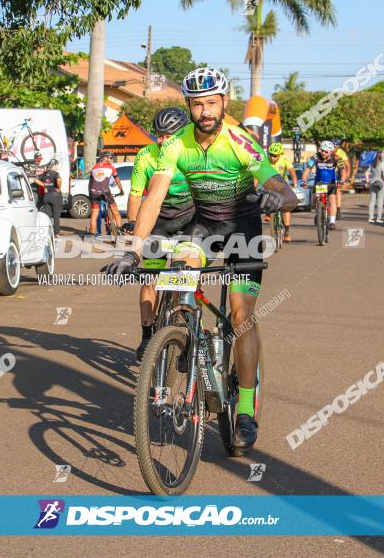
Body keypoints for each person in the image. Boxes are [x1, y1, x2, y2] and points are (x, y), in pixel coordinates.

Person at [104, 67, 298, 450]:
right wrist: (133, 249)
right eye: (197, 104)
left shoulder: (239, 140)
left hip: (244, 230)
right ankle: (182, 337)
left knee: (241, 315)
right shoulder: (176, 144)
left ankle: (244, 409)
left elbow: (281, 187)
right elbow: (154, 196)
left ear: (224, 102)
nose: (205, 111)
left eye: (212, 103)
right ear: (189, 106)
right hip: (202, 228)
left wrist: (280, 199)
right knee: (179, 278)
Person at [125, 107, 194, 359]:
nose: (162, 140)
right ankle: (146, 334)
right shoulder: (146, 155)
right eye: (158, 135)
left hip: (188, 221)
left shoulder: (192, 155)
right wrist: (132, 223)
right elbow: (135, 195)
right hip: (158, 221)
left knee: (181, 276)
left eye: (168, 136)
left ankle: (179, 327)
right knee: (150, 278)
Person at [302, 140, 342, 230]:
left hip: (331, 182)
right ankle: (318, 213)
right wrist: (303, 181)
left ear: (330, 152)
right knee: (315, 198)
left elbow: (342, 170)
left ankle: (332, 221)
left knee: (332, 199)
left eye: (326, 151)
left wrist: (342, 180)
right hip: (319, 182)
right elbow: (307, 170)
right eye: (322, 150)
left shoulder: (335, 158)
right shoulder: (315, 158)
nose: (323, 153)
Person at [267, 142, 298, 241]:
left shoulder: (285, 161)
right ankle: (269, 214)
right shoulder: (266, 161)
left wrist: (295, 182)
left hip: (283, 186)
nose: (272, 158)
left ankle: (287, 232)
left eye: (275, 156)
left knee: (286, 209)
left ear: (280, 154)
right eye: (271, 155)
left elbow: (292, 171)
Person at [88, 151, 123, 235]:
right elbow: (117, 180)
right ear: (105, 158)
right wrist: (121, 190)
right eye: (111, 158)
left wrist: (91, 193)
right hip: (105, 192)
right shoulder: (110, 167)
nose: (112, 159)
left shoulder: (94, 167)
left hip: (93, 193)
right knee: (116, 212)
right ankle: (120, 232)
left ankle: (92, 234)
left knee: (94, 214)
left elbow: (90, 182)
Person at [30, 164, 63, 237]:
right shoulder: (55, 173)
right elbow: (58, 180)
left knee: (48, 216)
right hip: (55, 196)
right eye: (56, 165)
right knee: (56, 216)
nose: (57, 167)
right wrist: (59, 187)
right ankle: (56, 233)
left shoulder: (44, 174)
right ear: (53, 166)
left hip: (46, 196)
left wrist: (44, 185)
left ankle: (47, 232)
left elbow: (35, 180)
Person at [366, 151, 384, 223]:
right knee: (380, 201)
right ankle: (379, 218)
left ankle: (370, 218)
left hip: (372, 183)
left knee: (372, 201)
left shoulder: (372, 164)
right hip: (381, 184)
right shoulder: (382, 164)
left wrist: (368, 181)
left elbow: (366, 173)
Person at [332, 138, 350, 220]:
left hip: (338, 173)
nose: (334, 148)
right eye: (333, 145)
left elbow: (347, 166)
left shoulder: (341, 153)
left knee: (337, 191)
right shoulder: (327, 150)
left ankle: (338, 210)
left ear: (338, 147)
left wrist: (346, 177)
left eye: (336, 146)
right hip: (328, 172)